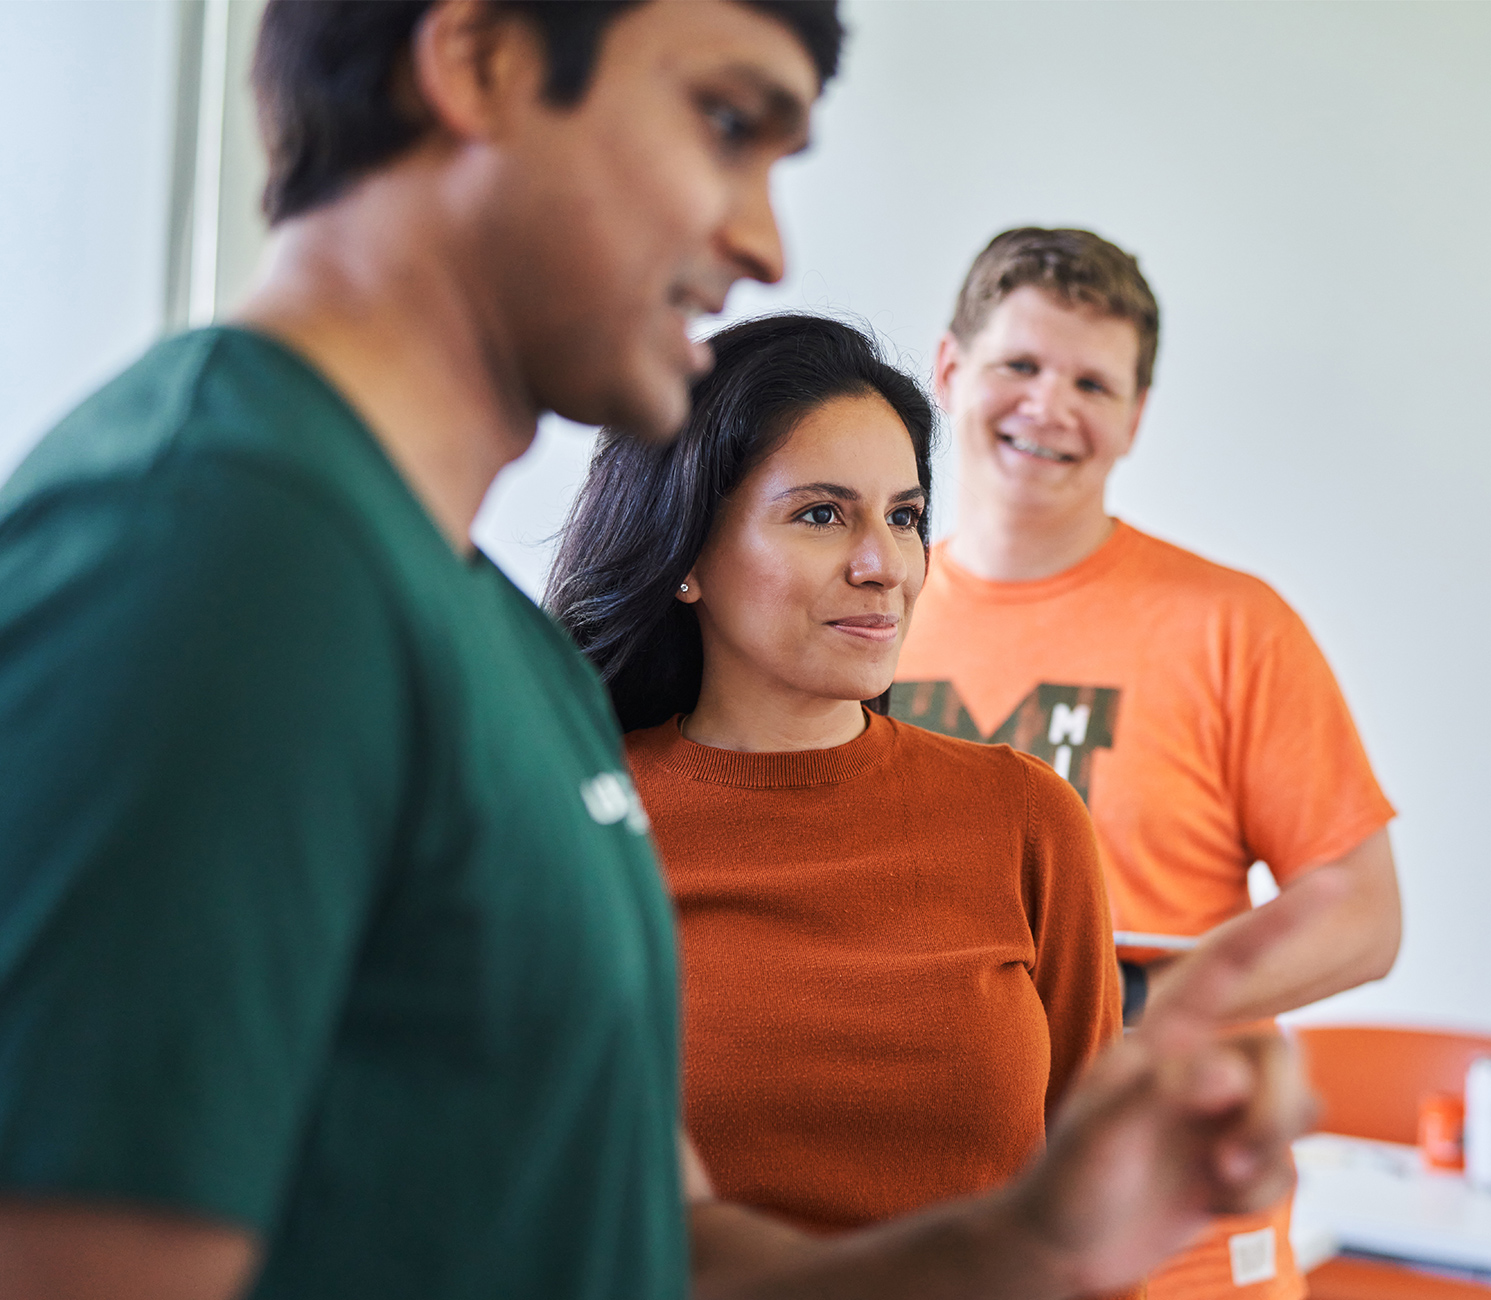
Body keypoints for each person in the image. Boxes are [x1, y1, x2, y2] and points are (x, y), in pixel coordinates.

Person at [0, 8, 1309, 1300]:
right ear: (479, 61)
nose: (761, 237)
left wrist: (1031, 1246)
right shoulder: (217, 549)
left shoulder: (501, 654)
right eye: (724, 122)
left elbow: (655, 1246)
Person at [893, 227, 1403, 1300]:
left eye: (1092, 381)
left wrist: (1136, 1009)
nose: (1050, 407)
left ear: (1133, 417)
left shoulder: (1230, 625)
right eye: (1020, 366)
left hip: (1180, 1237)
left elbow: (1361, 912)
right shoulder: (868, 617)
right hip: (939, 1220)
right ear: (948, 370)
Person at [546, 311, 1126, 1245]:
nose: (884, 566)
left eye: (905, 518)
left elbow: (1096, 1216)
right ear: (688, 552)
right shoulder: (579, 820)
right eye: (822, 515)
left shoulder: (1024, 819)